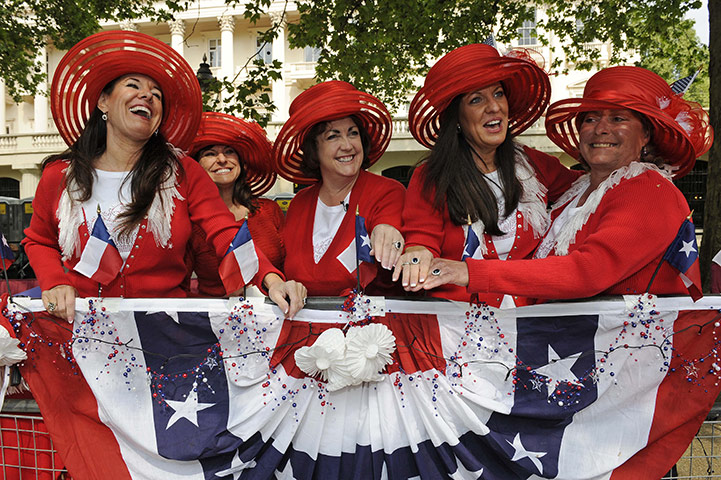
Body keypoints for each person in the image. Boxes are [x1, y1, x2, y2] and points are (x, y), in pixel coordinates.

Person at [23, 30, 305, 322]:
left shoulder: (183, 172)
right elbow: (39, 240)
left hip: (165, 335)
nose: (147, 95)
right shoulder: (60, 175)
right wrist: (55, 280)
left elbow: (225, 232)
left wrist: (271, 280)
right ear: (103, 102)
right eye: (133, 85)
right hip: (81, 329)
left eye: (156, 94)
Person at [422, 65, 713, 300]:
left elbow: (588, 272)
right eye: (590, 119)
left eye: (618, 119)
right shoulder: (575, 191)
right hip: (562, 351)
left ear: (646, 135)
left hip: (626, 358)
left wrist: (471, 273)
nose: (601, 129)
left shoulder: (648, 189)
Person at [395, 43, 581, 306]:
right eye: (476, 99)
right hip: (458, 329)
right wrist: (417, 257)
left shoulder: (536, 165)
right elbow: (420, 239)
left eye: (498, 94)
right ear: (457, 118)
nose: (494, 107)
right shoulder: (432, 176)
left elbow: (591, 189)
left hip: (531, 327)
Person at [273, 81, 405, 296]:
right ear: (313, 149)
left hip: (371, 326)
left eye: (353, 133)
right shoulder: (300, 202)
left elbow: (390, 235)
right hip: (304, 324)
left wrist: (387, 231)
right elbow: (284, 270)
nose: (347, 145)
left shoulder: (388, 191)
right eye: (333, 136)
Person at [183, 112, 285, 297]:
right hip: (215, 321)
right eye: (210, 153)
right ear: (195, 167)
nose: (222, 159)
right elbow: (181, 289)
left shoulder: (270, 211)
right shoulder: (190, 225)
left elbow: (291, 269)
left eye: (229, 151)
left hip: (275, 317)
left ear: (242, 163)